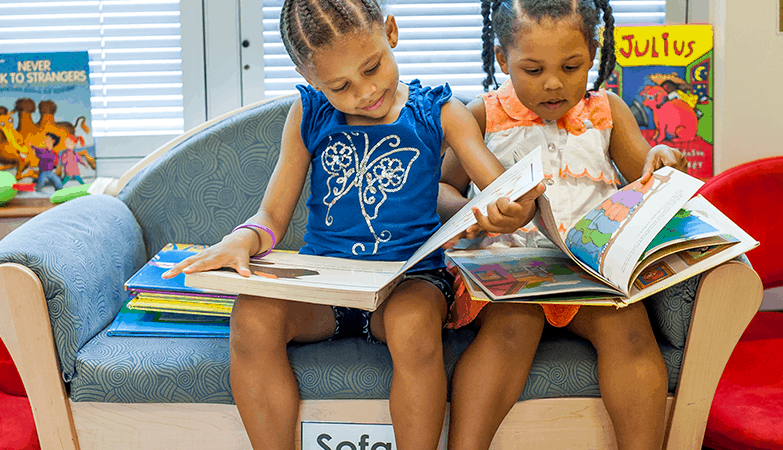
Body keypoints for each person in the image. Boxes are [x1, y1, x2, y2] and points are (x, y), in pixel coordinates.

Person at [163, 0, 542, 448]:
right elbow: (271, 216)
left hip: (409, 283)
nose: (364, 92)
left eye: (372, 67)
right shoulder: (308, 114)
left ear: (392, 32)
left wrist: (514, 212)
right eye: (339, 86)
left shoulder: (438, 111)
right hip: (325, 288)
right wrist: (241, 240)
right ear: (311, 81)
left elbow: (507, 191)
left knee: (413, 323)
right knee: (251, 317)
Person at [437, 1, 689, 449]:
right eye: (532, 70)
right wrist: (474, 216)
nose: (553, 83)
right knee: (512, 327)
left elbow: (644, 176)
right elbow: (440, 189)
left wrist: (663, 162)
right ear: (502, 60)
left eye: (571, 66)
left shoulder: (607, 111)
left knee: (628, 331)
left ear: (592, 53)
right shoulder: (483, 114)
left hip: (587, 274)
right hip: (510, 272)